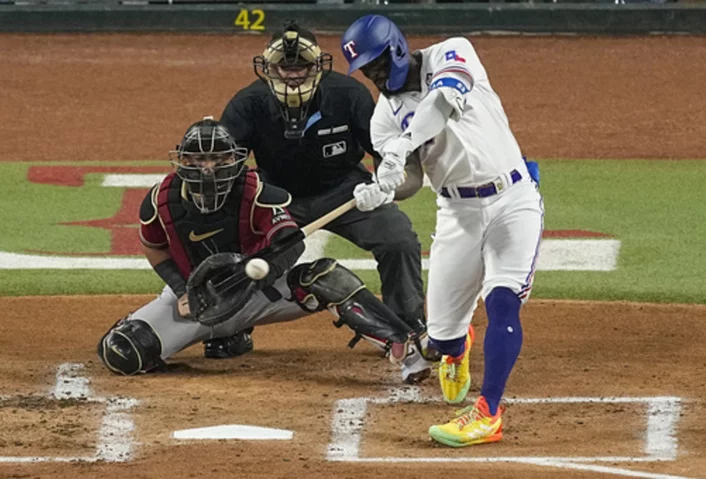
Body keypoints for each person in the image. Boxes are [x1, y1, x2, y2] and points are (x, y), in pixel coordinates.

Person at [96, 117, 430, 381]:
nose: (208, 167)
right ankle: (222, 335)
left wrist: (252, 271)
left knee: (324, 276)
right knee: (123, 352)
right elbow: (155, 249)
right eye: (198, 159)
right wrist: (183, 290)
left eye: (217, 158)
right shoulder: (161, 201)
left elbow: (288, 239)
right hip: (197, 302)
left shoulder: (256, 192)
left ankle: (405, 346)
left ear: (234, 158)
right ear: (182, 160)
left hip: (258, 295)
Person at [341, 15, 544, 447]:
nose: (375, 77)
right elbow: (411, 180)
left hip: (513, 199)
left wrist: (404, 140)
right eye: (366, 72)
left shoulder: (453, 51)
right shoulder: (383, 119)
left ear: (396, 49)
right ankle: (457, 347)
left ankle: (488, 414)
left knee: (503, 300)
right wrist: (385, 189)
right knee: (442, 338)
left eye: (377, 65)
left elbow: (445, 99)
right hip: (458, 214)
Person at [218, 20, 431, 383]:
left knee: (398, 239)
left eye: (300, 66)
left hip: (347, 191)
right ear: (268, 69)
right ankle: (230, 327)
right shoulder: (246, 105)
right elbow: (227, 173)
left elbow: (393, 160)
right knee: (238, 249)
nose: (293, 75)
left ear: (317, 66)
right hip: (279, 198)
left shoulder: (349, 95)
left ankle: (408, 327)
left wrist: (384, 186)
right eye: (285, 67)